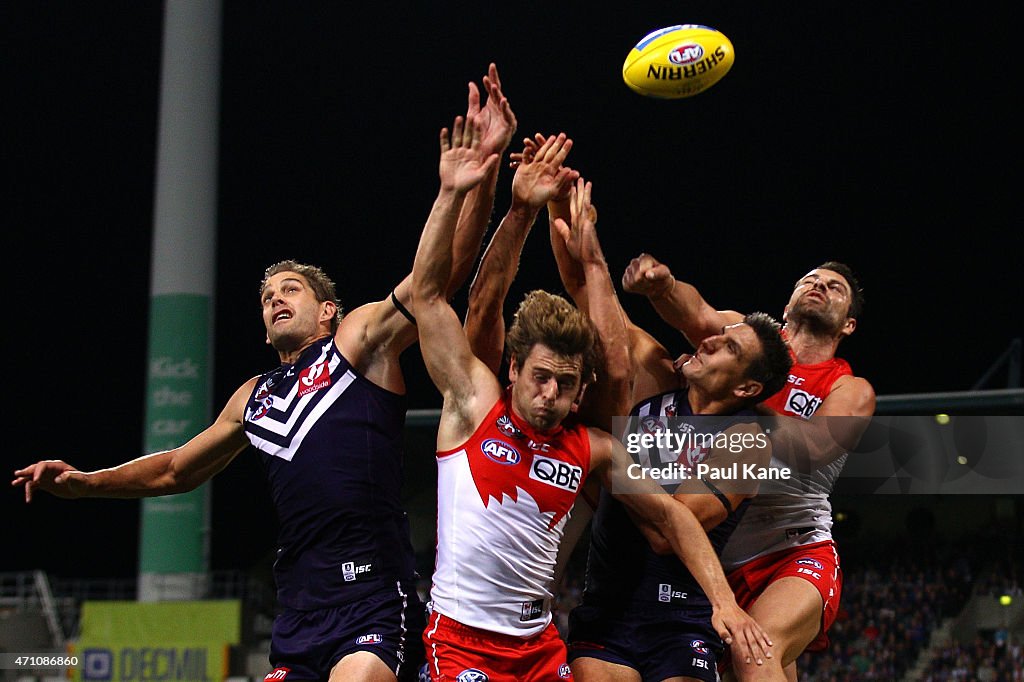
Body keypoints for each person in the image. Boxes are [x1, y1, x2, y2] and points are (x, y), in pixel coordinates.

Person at [11, 65, 519, 682]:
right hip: (298, 610)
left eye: (291, 289)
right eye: (266, 297)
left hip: (371, 595)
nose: (275, 299)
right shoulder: (252, 398)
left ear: (327, 310)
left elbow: (438, 280)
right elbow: (175, 469)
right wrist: (86, 483)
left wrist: (477, 176)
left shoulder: (358, 343)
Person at [411, 117, 772, 682]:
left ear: (582, 389)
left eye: (566, 384)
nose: (550, 395)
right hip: (461, 646)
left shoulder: (593, 446)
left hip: (541, 649)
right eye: (540, 378)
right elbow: (434, 296)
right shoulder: (475, 404)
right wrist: (507, 207)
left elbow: (673, 519)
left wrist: (724, 602)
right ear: (514, 368)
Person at [541, 177, 792, 682]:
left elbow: (665, 532)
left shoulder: (750, 441)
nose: (709, 344)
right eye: (719, 336)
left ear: (745, 389)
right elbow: (582, 289)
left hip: (680, 620)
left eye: (729, 349)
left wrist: (612, 459)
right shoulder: (656, 372)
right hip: (607, 611)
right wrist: (554, 204)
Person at [622, 255, 875, 681]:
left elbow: (811, 447)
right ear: (788, 303)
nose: (819, 286)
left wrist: (737, 391)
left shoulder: (849, 388)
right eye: (810, 279)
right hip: (718, 560)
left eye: (835, 288)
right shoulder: (748, 338)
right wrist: (662, 288)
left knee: (755, 649)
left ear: (848, 324)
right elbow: (696, 312)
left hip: (794, 550)